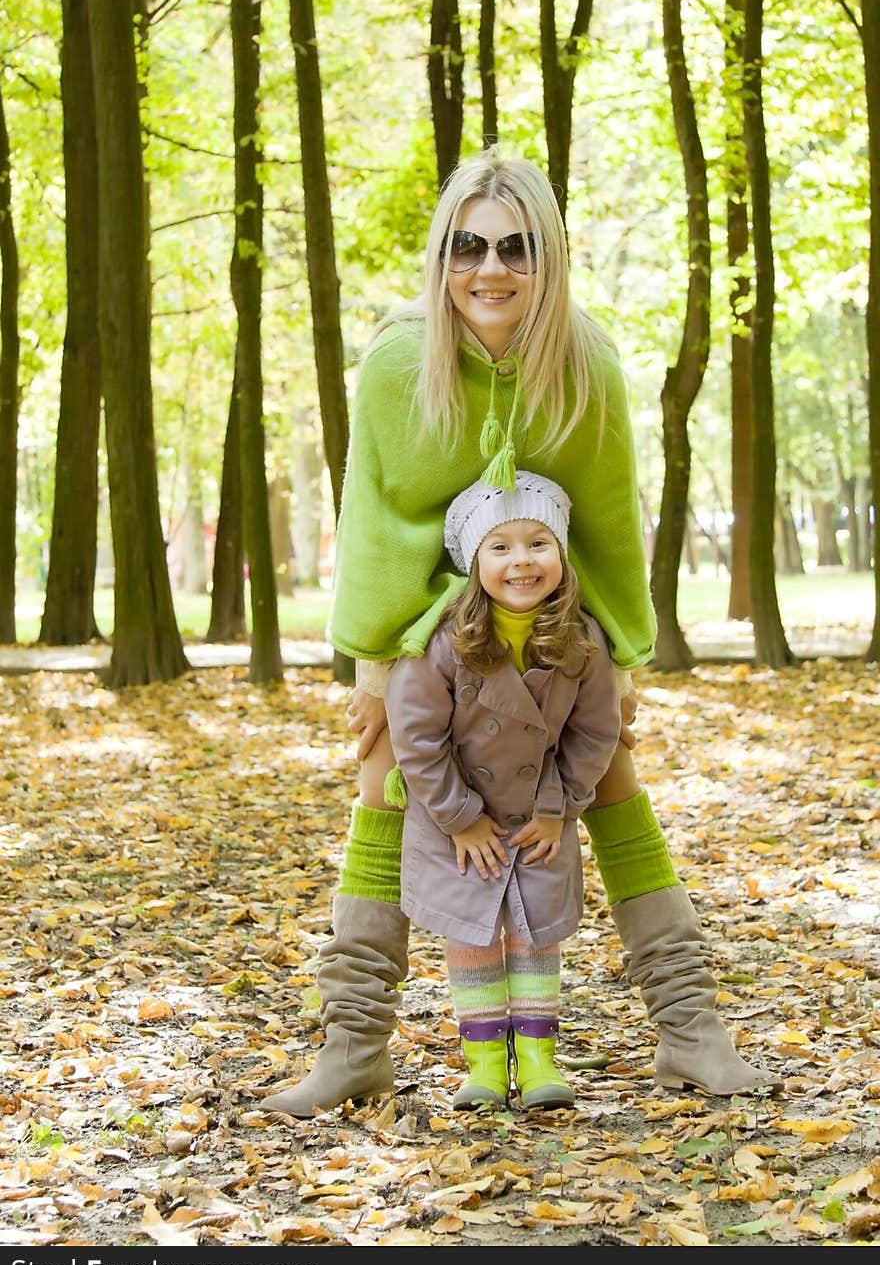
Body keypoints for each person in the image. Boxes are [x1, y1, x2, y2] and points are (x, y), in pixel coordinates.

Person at [261, 145, 780, 1118]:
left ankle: (687, 1025)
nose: (489, 269)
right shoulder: (394, 364)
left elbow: (611, 518)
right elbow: (373, 520)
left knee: (612, 785)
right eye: (467, 246)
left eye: (514, 248)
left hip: (553, 637)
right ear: (442, 256)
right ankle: (353, 1042)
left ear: (546, 256)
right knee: (381, 794)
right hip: (430, 635)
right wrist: (375, 668)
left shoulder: (584, 361)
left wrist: (620, 658)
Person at [384, 471, 621, 1110]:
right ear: (474, 562)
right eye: (501, 547)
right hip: (456, 816)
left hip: (540, 813)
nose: (522, 560)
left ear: (562, 555)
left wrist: (559, 809)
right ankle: (486, 1063)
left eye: (538, 543)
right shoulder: (441, 641)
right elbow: (416, 737)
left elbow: (595, 733)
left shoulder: (582, 640)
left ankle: (540, 1057)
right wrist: (460, 818)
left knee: (536, 933)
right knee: (474, 935)